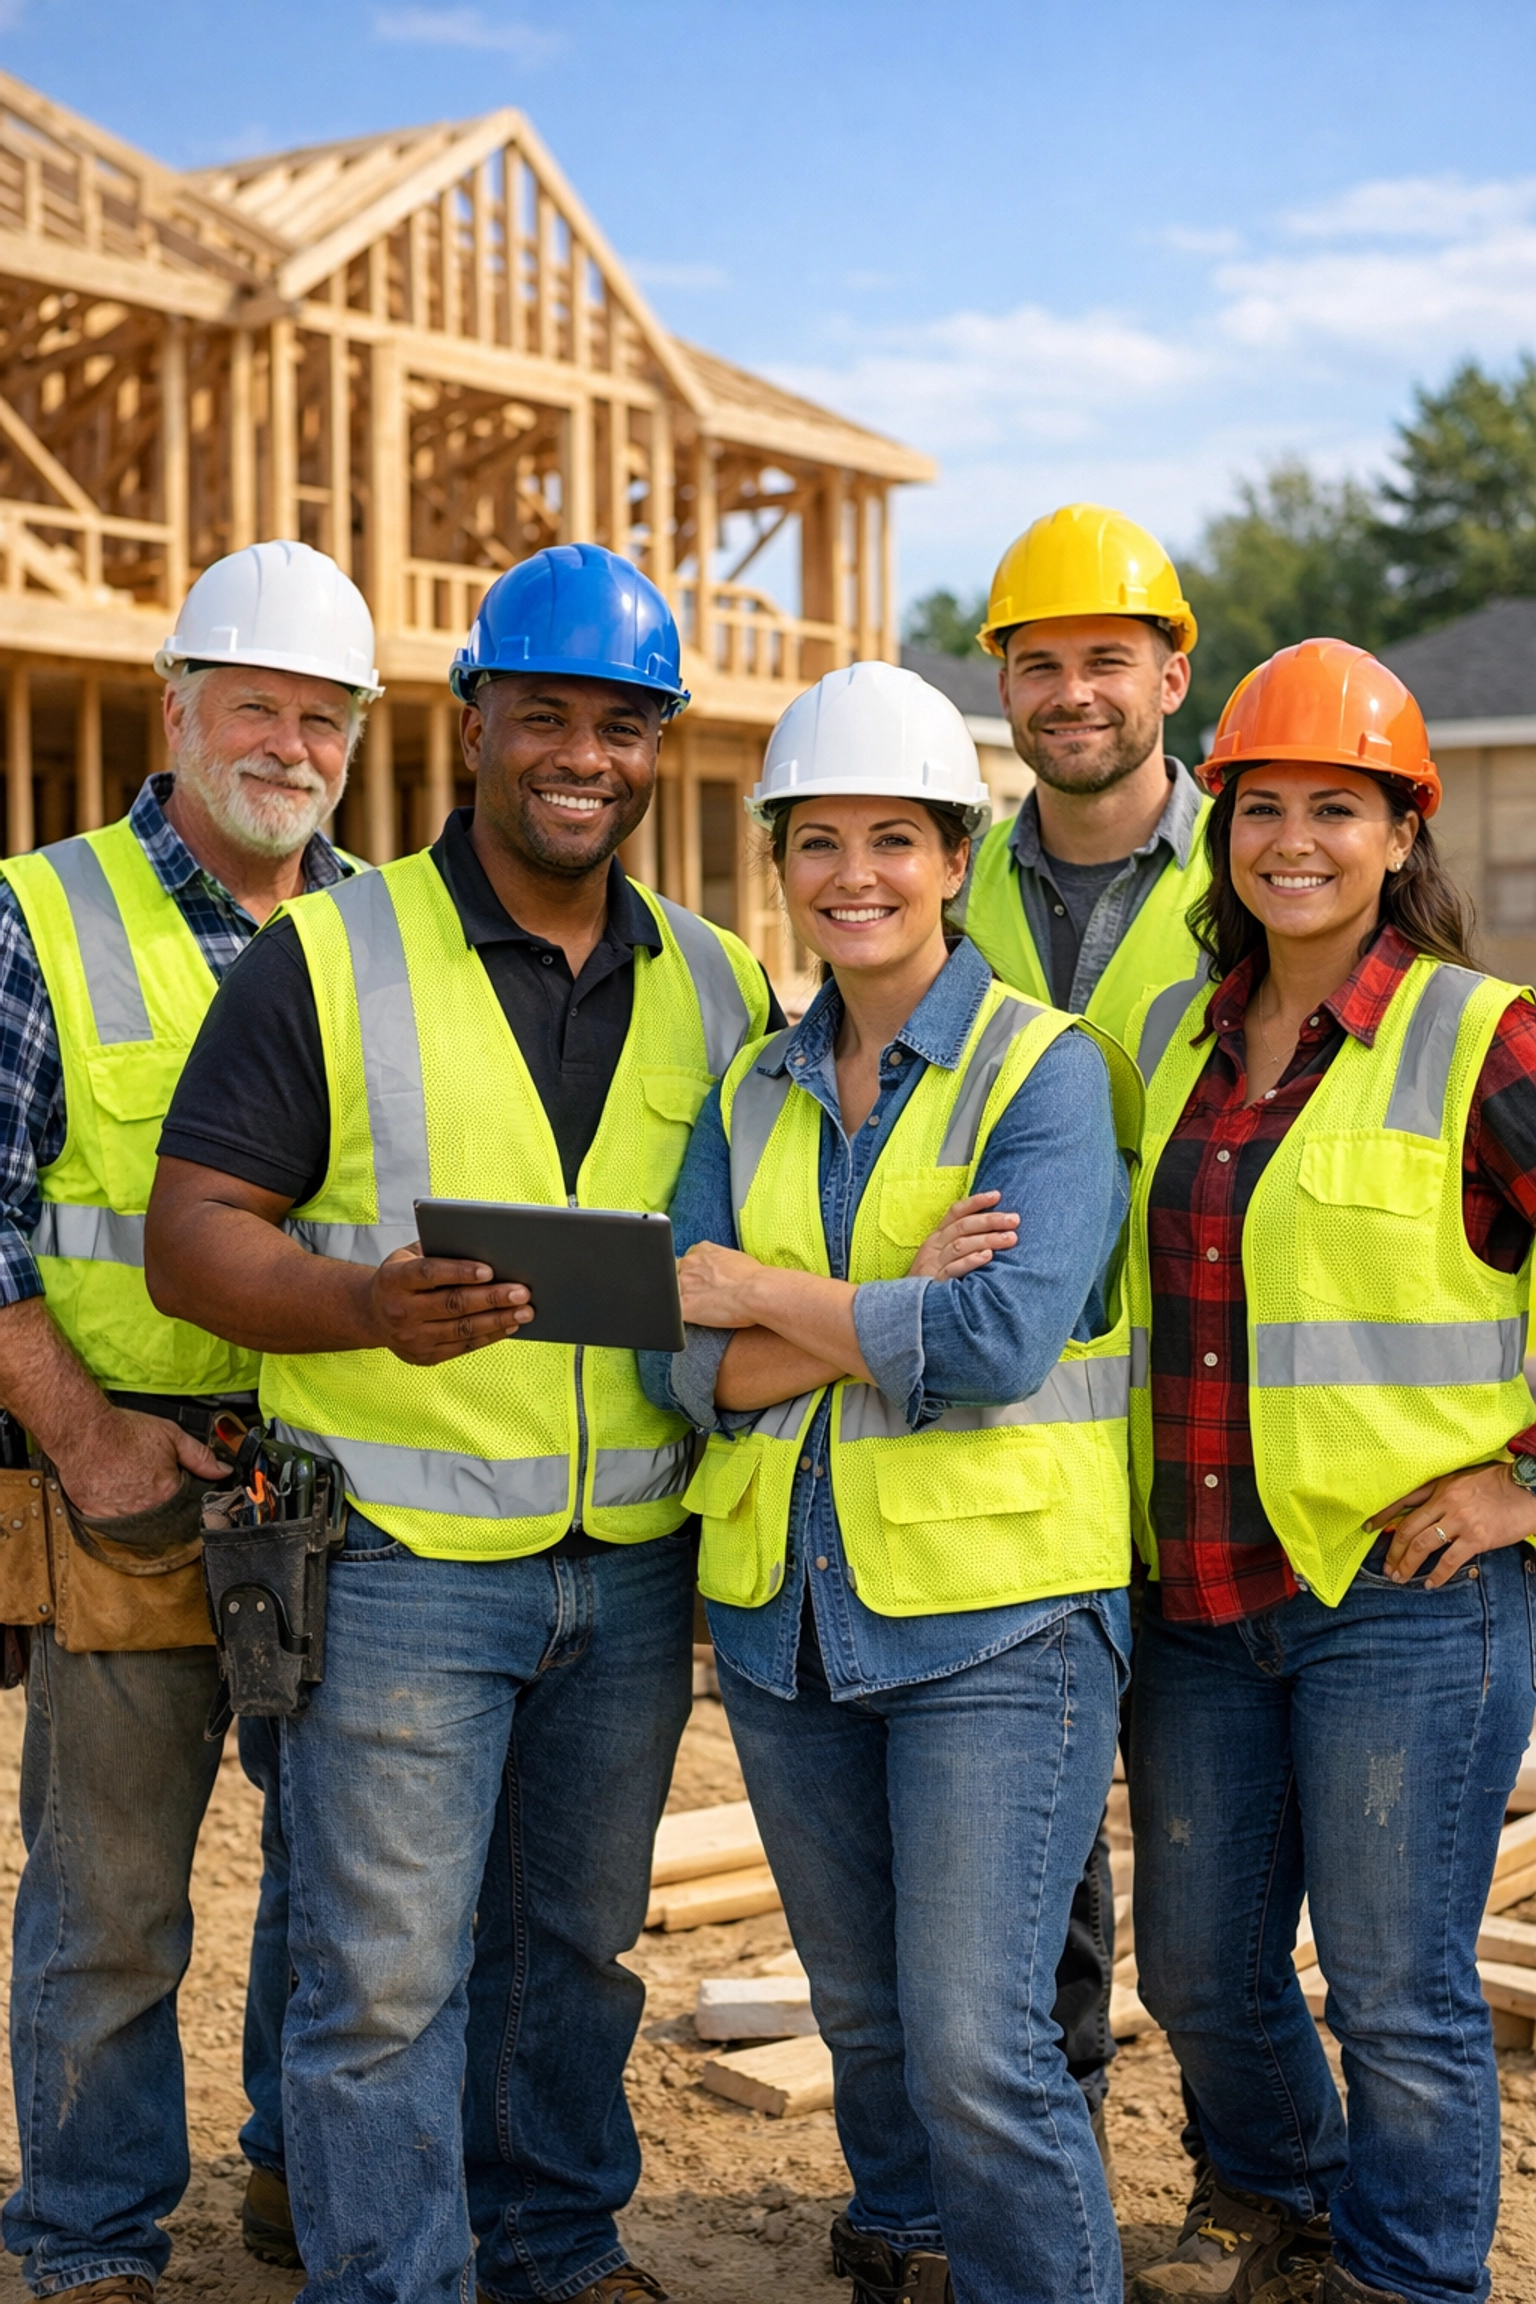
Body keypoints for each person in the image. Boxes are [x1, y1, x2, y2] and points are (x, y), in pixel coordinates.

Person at [143, 542, 777, 2304]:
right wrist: (360, 1305)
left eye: (623, 725)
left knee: (573, 1954)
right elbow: (192, 1237)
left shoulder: (722, 983)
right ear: (473, 722)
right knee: (387, 1978)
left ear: (660, 745)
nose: (584, 754)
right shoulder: (330, 959)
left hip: (635, 1565)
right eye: (545, 713)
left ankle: (554, 2253)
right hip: (404, 1565)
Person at [642, 660, 1143, 2304]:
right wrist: (884, 1306)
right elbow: (681, 1366)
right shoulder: (748, 1087)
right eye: (818, 842)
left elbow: (998, 1343)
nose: (854, 876)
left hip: (1000, 1629)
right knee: (866, 2023)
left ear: (952, 856)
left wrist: (771, 1295)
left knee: (984, 2045)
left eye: (895, 840)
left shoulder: (1042, 1070)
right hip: (787, 1623)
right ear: (779, 861)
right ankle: (920, 2256)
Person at [1124, 640, 1536, 2304]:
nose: (1294, 842)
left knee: (1396, 1986)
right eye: (1261, 809)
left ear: (1399, 833)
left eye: (1337, 810)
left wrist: (1525, 1482)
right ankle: (1277, 2191)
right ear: (1222, 829)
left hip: (1408, 1605)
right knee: (1204, 1972)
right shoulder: (1171, 1036)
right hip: (1204, 1590)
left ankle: (1408, 2276)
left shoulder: (1483, 1040)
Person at [0, 538, 379, 2302]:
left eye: (325, 717)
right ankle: (89, 2244)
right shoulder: (45, 914)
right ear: (176, 709)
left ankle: (304, 2189)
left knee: (346, 1894)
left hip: (350, 1476)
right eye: (256, 706)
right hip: (131, 1484)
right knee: (112, 1901)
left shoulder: (392, 933)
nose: (289, 745)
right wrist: (85, 1440)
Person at [954, 500, 1206, 2150]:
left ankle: (1258, 2183)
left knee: (1211, 1891)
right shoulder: (938, 871)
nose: (1070, 694)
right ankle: (1044, 2193)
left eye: (1104, 658)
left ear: (1173, 672)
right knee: (1032, 1883)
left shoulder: (1263, 866)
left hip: (1209, 1449)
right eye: (1036, 665)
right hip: (1012, 1458)